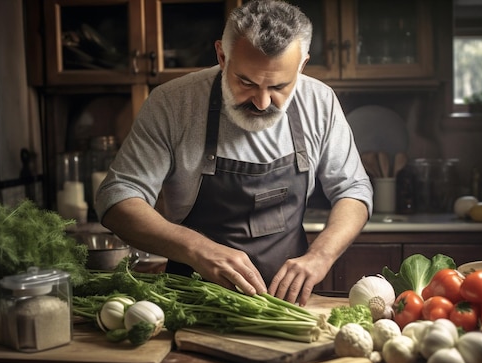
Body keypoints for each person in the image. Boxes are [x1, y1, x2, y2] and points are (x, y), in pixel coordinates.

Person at [95, 0, 373, 306]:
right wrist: (196, 249)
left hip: (290, 306)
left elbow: (353, 189)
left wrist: (320, 256)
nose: (262, 102)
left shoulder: (319, 101)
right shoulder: (173, 103)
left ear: (302, 65)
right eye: (246, 82)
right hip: (192, 302)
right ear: (222, 56)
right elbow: (117, 197)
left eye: (279, 86)